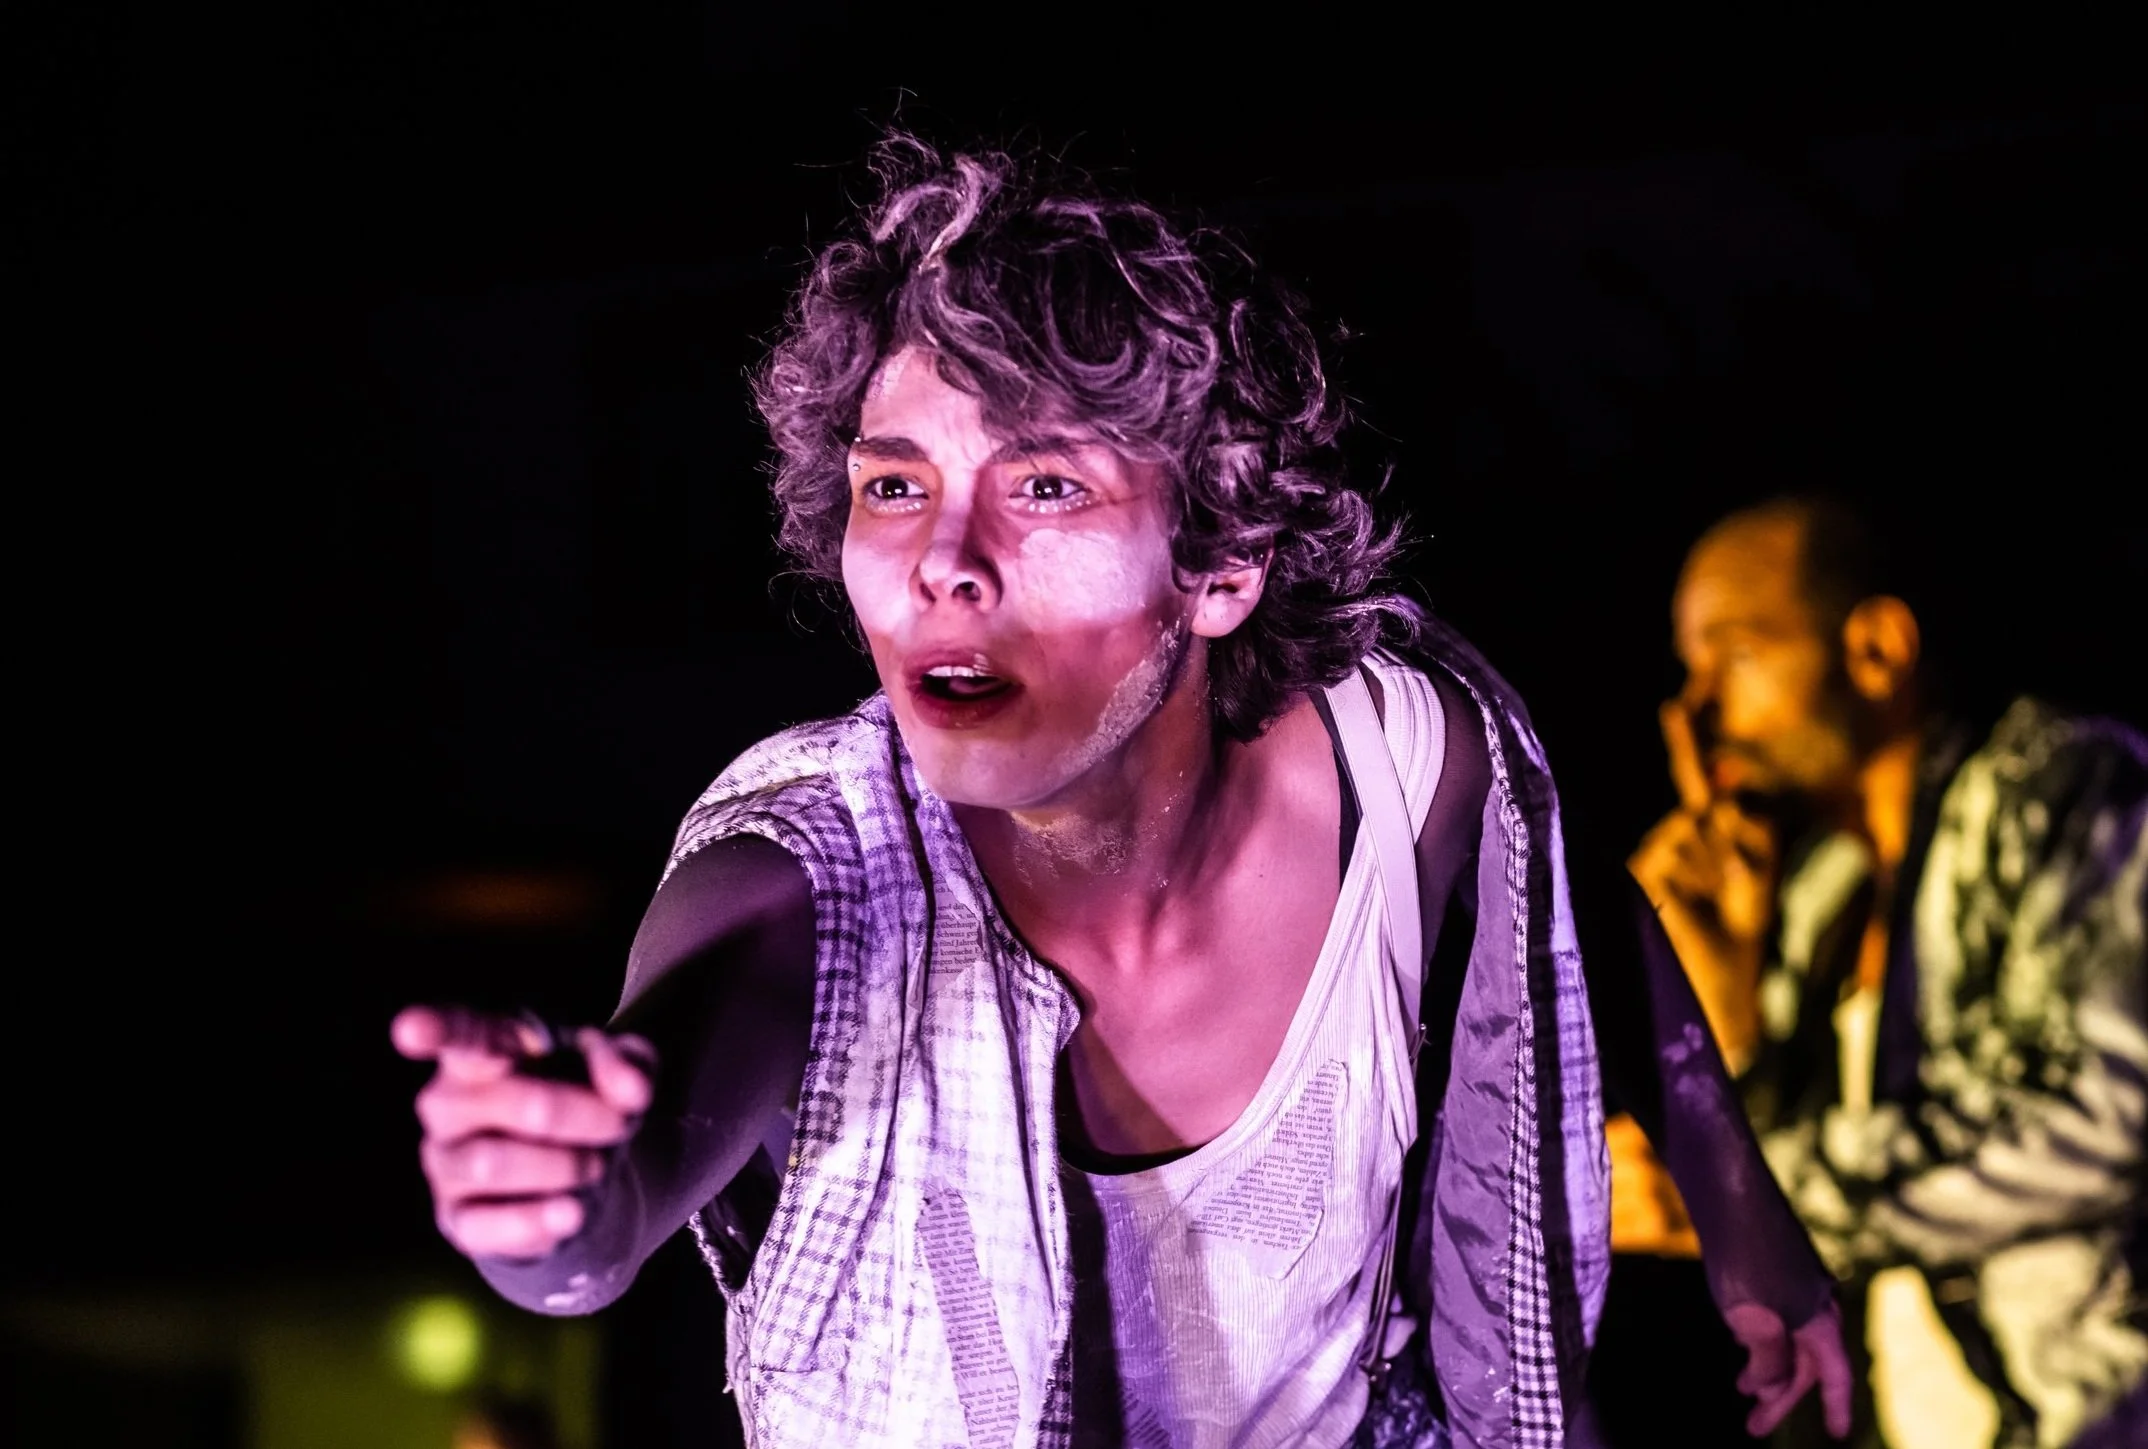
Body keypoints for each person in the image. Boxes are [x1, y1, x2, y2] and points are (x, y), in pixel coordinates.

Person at [393, 137, 1848, 1448]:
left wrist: (1740, 1204)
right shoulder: (803, 880)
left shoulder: (1402, 764)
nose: (942, 561)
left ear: (1221, 564)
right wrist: (554, 1210)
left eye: (1044, 488)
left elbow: (1558, 897)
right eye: (894, 487)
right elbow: (622, 1193)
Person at [1620, 498, 2148, 1447]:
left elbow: (2101, 1112)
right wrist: (1725, 1012)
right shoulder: (1817, 896)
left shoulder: (2063, 788)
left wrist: (1748, 1192)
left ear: (1876, 649)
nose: (1692, 712)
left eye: (1734, 655)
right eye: (1687, 670)